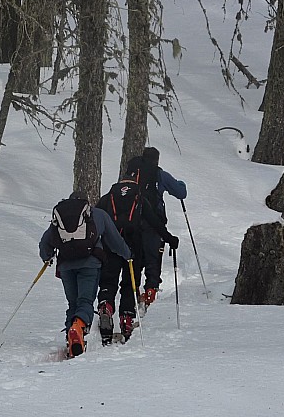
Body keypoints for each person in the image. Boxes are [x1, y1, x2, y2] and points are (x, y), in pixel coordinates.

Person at [39, 191, 131, 358]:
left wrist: (47, 257)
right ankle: (78, 327)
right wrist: (127, 254)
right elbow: (115, 241)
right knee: (85, 301)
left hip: (66, 265)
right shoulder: (98, 215)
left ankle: (72, 337)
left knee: (72, 303)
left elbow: (46, 241)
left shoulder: (61, 217)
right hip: (90, 264)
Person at [95, 171, 179, 344]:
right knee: (129, 284)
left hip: (110, 246)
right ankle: (126, 318)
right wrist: (170, 239)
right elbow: (155, 223)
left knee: (108, 281)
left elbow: (95, 220)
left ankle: (106, 305)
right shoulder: (140, 199)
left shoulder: (107, 198)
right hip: (134, 247)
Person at [126, 147, 186, 308]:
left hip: (131, 223)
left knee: (136, 259)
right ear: (156, 160)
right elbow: (181, 192)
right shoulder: (159, 174)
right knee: (153, 259)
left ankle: (133, 294)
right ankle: (150, 291)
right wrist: (181, 183)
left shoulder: (130, 173)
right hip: (154, 224)